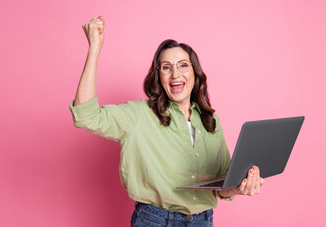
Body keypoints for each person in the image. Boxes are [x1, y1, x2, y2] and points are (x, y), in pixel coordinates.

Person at [69, 15, 264, 227]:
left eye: (183, 65)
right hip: (155, 221)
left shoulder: (211, 121)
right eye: (166, 67)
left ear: (195, 73)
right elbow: (86, 115)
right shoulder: (139, 115)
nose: (175, 74)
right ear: (158, 76)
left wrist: (240, 187)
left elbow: (220, 186)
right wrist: (94, 49)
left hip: (203, 221)